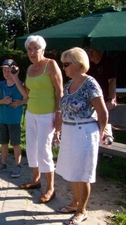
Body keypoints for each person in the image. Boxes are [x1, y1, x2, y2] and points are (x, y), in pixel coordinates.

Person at [55, 47, 110, 225]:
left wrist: (100, 135)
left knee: (83, 173)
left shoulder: (90, 83)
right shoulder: (69, 84)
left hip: (85, 132)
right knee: (72, 171)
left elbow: (103, 114)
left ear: (78, 64)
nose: (63, 68)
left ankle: (82, 210)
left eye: (66, 64)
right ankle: (74, 203)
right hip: (70, 131)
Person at [13, 35, 63, 203]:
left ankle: (50, 189)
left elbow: (60, 91)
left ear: (43, 49)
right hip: (31, 112)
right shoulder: (29, 69)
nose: (32, 52)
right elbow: (26, 94)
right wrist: (14, 78)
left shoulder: (51, 65)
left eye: (36, 49)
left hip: (47, 114)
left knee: (44, 150)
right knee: (32, 148)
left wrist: (58, 114)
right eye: (29, 49)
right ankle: (36, 180)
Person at [0, 59, 27, 178]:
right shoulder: (1, 84)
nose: (6, 73)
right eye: (4, 71)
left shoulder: (20, 84)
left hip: (15, 120)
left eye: (9, 70)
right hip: (3, 119)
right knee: (3, 143)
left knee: (16, 144)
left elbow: (27, 98)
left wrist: (20, 102)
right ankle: (3, 164)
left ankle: (17, 166)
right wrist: (3, 101)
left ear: (15, 70)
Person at [87, 46, 117, 111]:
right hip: (91, 101)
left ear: (100, 52)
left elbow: (112, 81)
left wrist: (111, 99)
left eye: (93, 51)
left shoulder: (108, 63)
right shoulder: (88, 65)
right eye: (89, 51)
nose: (90, 53)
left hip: (106, 101)